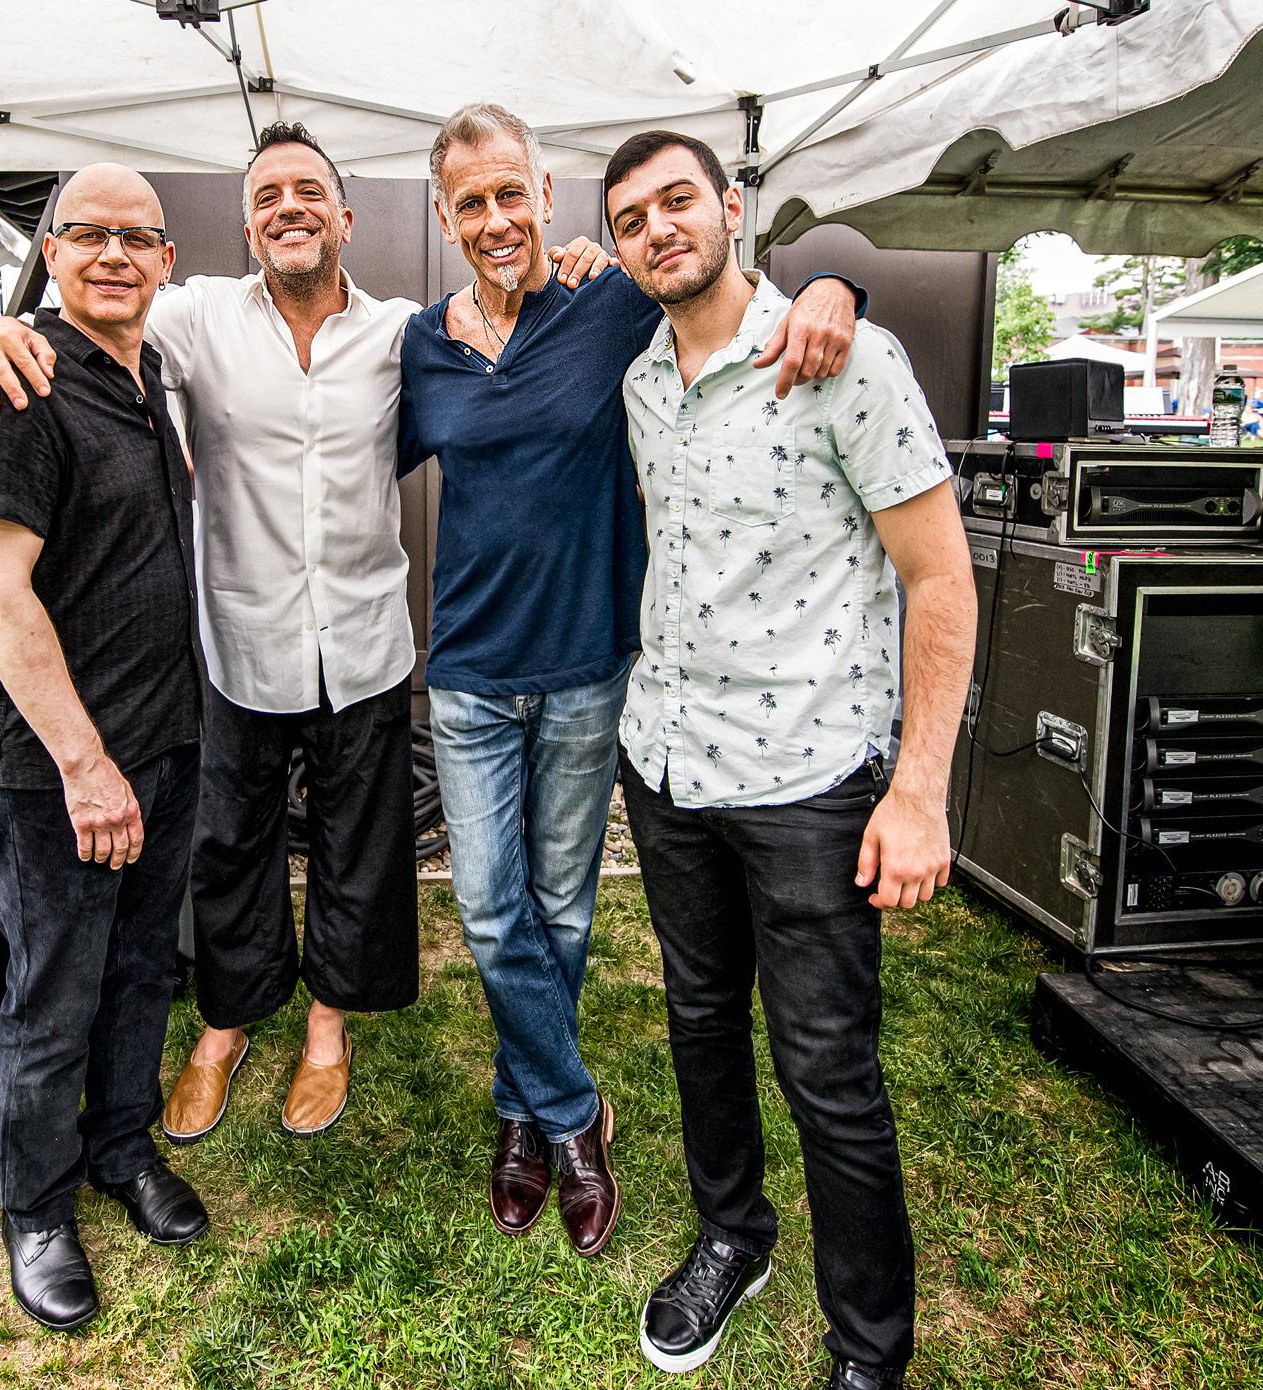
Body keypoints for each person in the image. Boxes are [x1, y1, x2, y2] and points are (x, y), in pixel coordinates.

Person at [399, 102, 861, 1260]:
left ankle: (519, 1116)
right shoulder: (421, 341)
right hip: (464, 672)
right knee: (489, 909)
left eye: (512, 193)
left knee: (558, 911)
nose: (495, 218)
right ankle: (572, 1111)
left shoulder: (607, 304)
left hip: (586, 664)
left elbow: (725, 286)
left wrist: (833, 287)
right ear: (445, 217)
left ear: (543, 198)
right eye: (471, 202)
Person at [0, 125, 433, 1147]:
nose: (288, 207)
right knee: (231, 848)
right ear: (246, 226)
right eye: (267, 195)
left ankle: (324, 1029)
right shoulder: (196, 315)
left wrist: (570, 263)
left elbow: (499, 327)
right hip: (236, 640)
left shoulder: (401, 333)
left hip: (361, 637)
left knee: (359, 846)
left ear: (344, 218)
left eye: (309, 190)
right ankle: (223, 1028)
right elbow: (93, 301)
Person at [601, 130, 974, 1389]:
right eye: (630, 217)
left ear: (732, 206)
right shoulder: (640, 379)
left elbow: (939, 579)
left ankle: (868, 1355)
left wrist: (916, 789)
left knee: (828, 1073)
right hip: (665, 765)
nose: (658, 229)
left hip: (809, 784)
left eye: (677, 202)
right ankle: (730, 1237)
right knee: (699, 1023)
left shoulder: (847, 360)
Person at [0, 163, 210, 1333]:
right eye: (84, 234)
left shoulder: (145, 378)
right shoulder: (18, 386)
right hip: (56, 769)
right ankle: (33, 1204)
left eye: (135, 238)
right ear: (49, 252)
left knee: (145, 967)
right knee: (53, 991)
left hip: (165, 744)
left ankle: (117, 1147)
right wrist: (86, 765)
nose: (111, 254)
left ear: (163, 262)